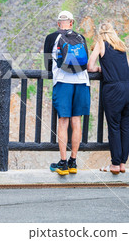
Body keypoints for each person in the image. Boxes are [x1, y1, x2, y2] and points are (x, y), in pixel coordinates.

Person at [44, 11, 90, 176]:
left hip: (63, 82)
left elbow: (47, 65)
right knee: (76, 120)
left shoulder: (52, 38)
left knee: (63, 121)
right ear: (71, 23)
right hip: (82, 81)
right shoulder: (81, 38)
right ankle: (73, 161)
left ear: (58, 23)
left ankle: (62, 163)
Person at [87, 23, 129, 174]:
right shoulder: (121, 45)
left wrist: (99, 69)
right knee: (125, 127)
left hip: (113, 90)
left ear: (100, 33)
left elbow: (89, 65)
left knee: (114, 126)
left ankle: (114, 164)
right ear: (113, 32)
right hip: (128, 87)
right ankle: (122, 163)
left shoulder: (101, 44)